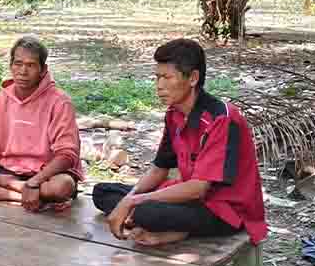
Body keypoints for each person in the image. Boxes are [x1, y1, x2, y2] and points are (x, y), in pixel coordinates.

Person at [92, 38, 268, 247]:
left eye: (167, 77)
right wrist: (128, 199)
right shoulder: (174, 114)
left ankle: (176, 230)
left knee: (147, 212)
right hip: (188, 199)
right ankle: (151, 219)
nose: (159, 86)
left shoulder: (222, 118)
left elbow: (198, 189)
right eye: (157, 77)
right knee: (102, 192)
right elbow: (159, 169)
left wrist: (133, 202)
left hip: (226, 210)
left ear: (193, 78)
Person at [0, 36, 83, 212]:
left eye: (31, 65)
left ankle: (8, 187)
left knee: (61, 187)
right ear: (11, 66)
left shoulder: (59, 102)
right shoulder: (1, 99)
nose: (23, 71)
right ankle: (21, 197)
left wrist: (34, 183)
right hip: (9, 170)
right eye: (18, 64)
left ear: (43, 70)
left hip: (46, 175)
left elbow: (67, 155)